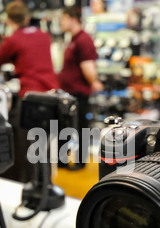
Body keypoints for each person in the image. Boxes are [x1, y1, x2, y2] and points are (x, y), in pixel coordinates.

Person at [0, 1, 59, 182]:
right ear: (27, 17)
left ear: (9, 21)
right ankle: (46, 186)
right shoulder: (44, 35)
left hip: (31, 100)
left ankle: (31, 189)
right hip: (52, 97)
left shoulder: (13, 40)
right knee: (46, 146)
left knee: (28, 148)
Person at [59, 6, 104, 170]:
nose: (61, 23)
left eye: (63, 19)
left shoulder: (83, 39)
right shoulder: (73, 39)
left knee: (80, 128)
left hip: (78, 93)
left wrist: (94, 81)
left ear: (73, 19)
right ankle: (62, 160)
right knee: (66, 127)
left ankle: (79, 162)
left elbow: (88, 65)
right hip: (69, 92)